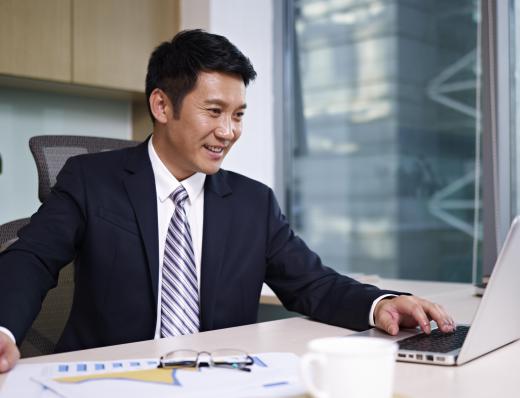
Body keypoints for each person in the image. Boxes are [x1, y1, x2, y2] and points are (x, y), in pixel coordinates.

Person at [0, 29, 455, 373]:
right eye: (214, 112)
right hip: (111, 380)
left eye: (238, 115)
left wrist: (382, 304)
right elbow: (32, 258)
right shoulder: (91, 179)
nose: (229, 131)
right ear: (162, 106)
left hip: (219, 380)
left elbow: (313, 284)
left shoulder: (253, 203)